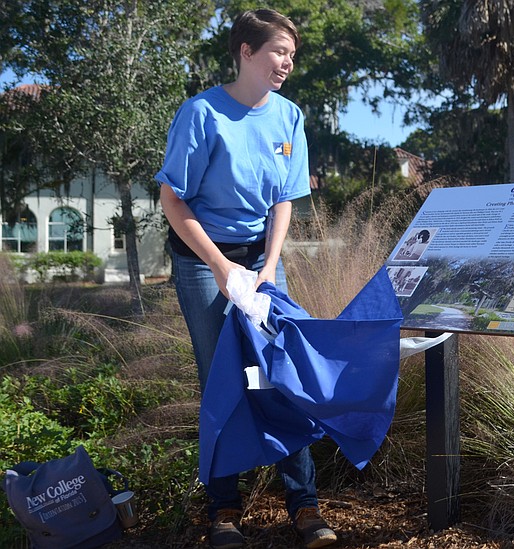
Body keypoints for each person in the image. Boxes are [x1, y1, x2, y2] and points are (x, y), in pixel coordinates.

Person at [155, 9, 336, 549]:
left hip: (261, 264)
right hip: (203, 261)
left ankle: (304, 507)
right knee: (221, 379)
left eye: (292, 55)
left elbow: (283, 199)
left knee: (281, 373)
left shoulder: (289, 116)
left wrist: (267, 267)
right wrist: (220, 266)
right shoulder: (201, 113)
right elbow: (172, 198)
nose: (287, 63)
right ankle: (224, 511)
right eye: (279, 52)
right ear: (247, 52)